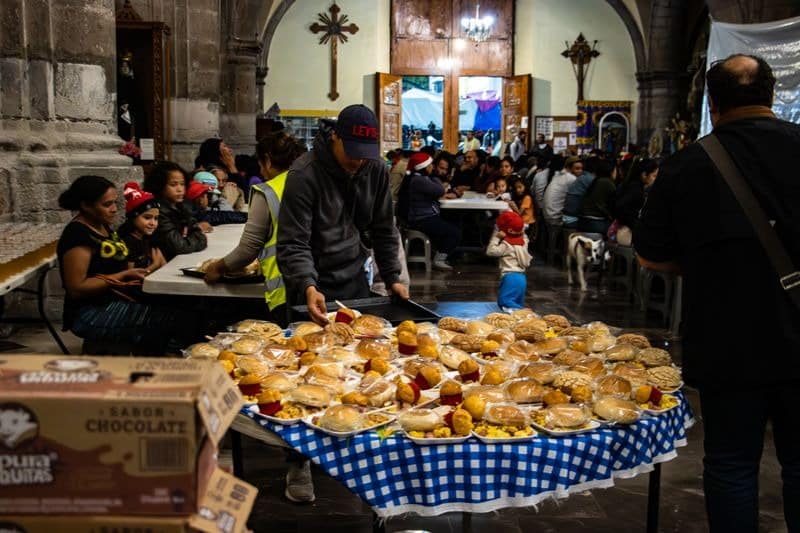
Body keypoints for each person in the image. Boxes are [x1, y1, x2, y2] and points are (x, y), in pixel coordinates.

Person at [634, 54, 800, 533]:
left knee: (731, 463)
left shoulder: (687, 165)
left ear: (712, 101)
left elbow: (649, 254)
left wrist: (708, 262)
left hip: (727, 337)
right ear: (771, 93)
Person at [276, 105, 408, 503]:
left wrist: (394, 277)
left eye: (364, 155)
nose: (356, 163)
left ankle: (355, 448)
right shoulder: (304, 175)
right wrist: (306, 285)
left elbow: (385, 228)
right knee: (308, 376)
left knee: (356, 369)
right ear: (335, 137)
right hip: (311, 284)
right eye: (351, 152)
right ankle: (298, 461)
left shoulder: (373, 169)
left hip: (354, 277)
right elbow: (293, 243)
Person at [56, 176, 181, 355]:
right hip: (90, 311)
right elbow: (76, 287)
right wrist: (122, 276)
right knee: (168, 318)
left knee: (179, 305)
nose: (114, 209)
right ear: (85, 205)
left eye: (115, 203)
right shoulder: (78, 235)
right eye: (107, 205)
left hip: (114, 298)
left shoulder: (103, 226)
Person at [203, 131, 307, 325]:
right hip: (321, 285)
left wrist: (218, 267)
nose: (260, 170)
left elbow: (249, 248)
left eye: (260, 163)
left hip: (287, 290)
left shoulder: (268, 191)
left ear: (267, 159)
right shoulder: (313, 184)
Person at [398, 152, 460, 271]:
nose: (432, 167)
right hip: (422, 219)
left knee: (452, 224)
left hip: (423, 216)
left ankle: (441, 255)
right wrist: (436, 178)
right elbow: (440, 190)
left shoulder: (418, 178)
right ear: (423, 166)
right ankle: (439, 260)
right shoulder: (419, 180)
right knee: (454, 232)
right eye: (430, 165)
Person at [143, 161, 210, 260]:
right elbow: (179, 246)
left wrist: (193, 237)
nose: (180, 189)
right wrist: (196, 238)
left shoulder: (182, 206)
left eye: (182, 184)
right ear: (160, 186)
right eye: (173, 185)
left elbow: (197, 232)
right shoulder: (157, 211)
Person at [486, 211, 532, 311]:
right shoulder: (524, 241)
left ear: (509, 231)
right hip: (522, 278)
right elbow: (523, 234)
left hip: (510, 278)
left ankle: (528, 314)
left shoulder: (506, 245)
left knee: (505, 303)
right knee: (515, 303)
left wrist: (496, 237)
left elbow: (490, 251)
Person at [118, 181, 166, 272]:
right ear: (133, 217)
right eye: (147, 217)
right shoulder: (128, 243)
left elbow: (164, 266)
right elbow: (129, 277)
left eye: (156, 218)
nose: (153, 223)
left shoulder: (147, 239)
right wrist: (155, 265)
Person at [611, 158, 658, 246]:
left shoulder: (632, 185)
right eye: (654, 176)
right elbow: (621, 208)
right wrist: (636, 224)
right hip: (625, 233)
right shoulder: (636, 189)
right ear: (644, 175)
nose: (655, 179)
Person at [577, 158, 616, 235]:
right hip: (595, 222)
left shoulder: (596, 180)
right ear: (611, 171)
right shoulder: (607, 182)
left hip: (583, 220)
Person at [542, 156, 579, 227]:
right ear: (569, 167)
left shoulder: (556, 175)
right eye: (577, 168)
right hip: (556, 217)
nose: (580, 171)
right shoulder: (571, 178)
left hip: (547, 215)